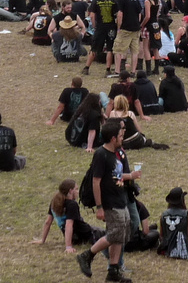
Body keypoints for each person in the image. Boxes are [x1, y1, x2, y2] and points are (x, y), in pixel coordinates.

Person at [78, 118, 139, 281]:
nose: (122, 137)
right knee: (115, 233)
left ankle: (113, 271)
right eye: (120, 135)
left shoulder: (114, 154)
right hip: (110, 202)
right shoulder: (101, 154)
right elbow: (96, 181)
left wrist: (130, 176)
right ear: (113, 138)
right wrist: (99, 207)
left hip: (120, 199)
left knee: (121, 235)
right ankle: (87, 254)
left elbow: (114, 175)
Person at [34, 179, 99, 254]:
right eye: (76, 189)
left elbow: (48, 222)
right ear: (71, 191)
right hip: (87, 235)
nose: (78, 191)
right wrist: (68, 247)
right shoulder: (72, 204)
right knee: (109, 236)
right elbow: (69, 225)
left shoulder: (54, 202)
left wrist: (42, 240)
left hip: (74, 239)